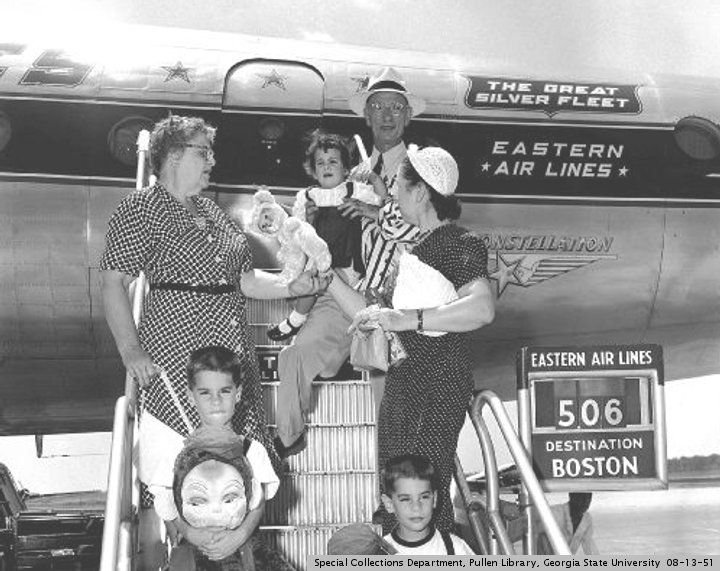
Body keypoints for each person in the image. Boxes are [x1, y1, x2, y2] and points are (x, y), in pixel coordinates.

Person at [99, 115, 327, 499]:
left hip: (232, 354)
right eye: (203, 152)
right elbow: (113, 283)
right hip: (177, 352)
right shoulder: (140, 207)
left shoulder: (211, 211)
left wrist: (292, 286)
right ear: (173, 154)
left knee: (238, 472)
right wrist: (131, 350)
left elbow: (244, 280)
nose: (212, 161)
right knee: (185, 471)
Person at [329, 145, 495, 533]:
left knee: (420, 492)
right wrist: (327, 278)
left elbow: (482, 308)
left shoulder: (458, 242)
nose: (393, 195)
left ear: (420, 192)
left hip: (435, 383)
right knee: (398, 490)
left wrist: (410, 318)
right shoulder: (419, 248)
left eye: (399, 187)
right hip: (406, 383)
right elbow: (375, 314)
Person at [274, 68, 424, 456]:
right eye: (378, 107)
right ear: (367, 116)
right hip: (346, 299)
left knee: (392, 414)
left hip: (399, 306)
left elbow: (426, 229)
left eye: (396, 107)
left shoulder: (420, 168)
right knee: (295, 357)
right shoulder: (353, 171)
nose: (387, 115)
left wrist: (379, 212)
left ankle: (395, 486)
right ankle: (289, 437)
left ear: (408, 116)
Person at [142, 346, 279, 564]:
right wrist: (189, 533)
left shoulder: (253, 450)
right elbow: (167, 501)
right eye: (205, 392)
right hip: (195, 553)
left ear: (238, 393)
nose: (216, 401)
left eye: (224, 391)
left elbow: (259, 502)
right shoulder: (177, 451)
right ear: (190, 396)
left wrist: (238, 536)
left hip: (244, 550)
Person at [267, 130, 386, 341]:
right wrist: (307, 219)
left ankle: (304, 322)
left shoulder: (354, 190)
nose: (327, 167)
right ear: (313, 170)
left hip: (348, 259)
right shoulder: (307, 196)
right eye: (320, 163)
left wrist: (373, 178)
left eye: (333, 161)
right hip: (319, 257)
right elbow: (297, 228)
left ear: (346, 168)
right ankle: (297, 319)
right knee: (312, 279)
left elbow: (381, 201)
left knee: (329, 283)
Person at [380, 454, 475, 555]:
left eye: (424, 497)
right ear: (389, 504)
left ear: (434, 499)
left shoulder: (456, 548)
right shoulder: (379, 552)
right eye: (405, 499)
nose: (416, 507)